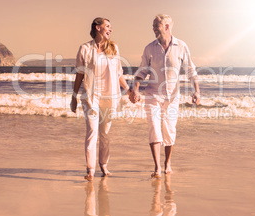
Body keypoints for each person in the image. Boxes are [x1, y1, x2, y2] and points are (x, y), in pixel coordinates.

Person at [130, 14, 200, 178]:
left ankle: (167, 163)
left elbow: (191, 70)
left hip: (172, 97)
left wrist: (196, 90)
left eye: (156, 25)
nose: (153, 28)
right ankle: (157, 167)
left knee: (169, 130)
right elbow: (142, 71)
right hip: (153, 94)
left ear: (167, 26)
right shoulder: (150, 48)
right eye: (153, 26)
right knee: (154, 127)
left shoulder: (181, 46)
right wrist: (136, 89)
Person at [71, 17, 131, 181]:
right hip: (91, 96)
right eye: (107, 26)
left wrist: (129, 89)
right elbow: (79, 75)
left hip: (110, 96)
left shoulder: (114, 48)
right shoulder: (84, 49)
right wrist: (74, 97)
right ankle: (90, 169)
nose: (110, 30)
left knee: (105, 133)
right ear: (98, 28)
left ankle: (103, 164)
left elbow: (119, 74)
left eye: (111, 27)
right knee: (92, 132)